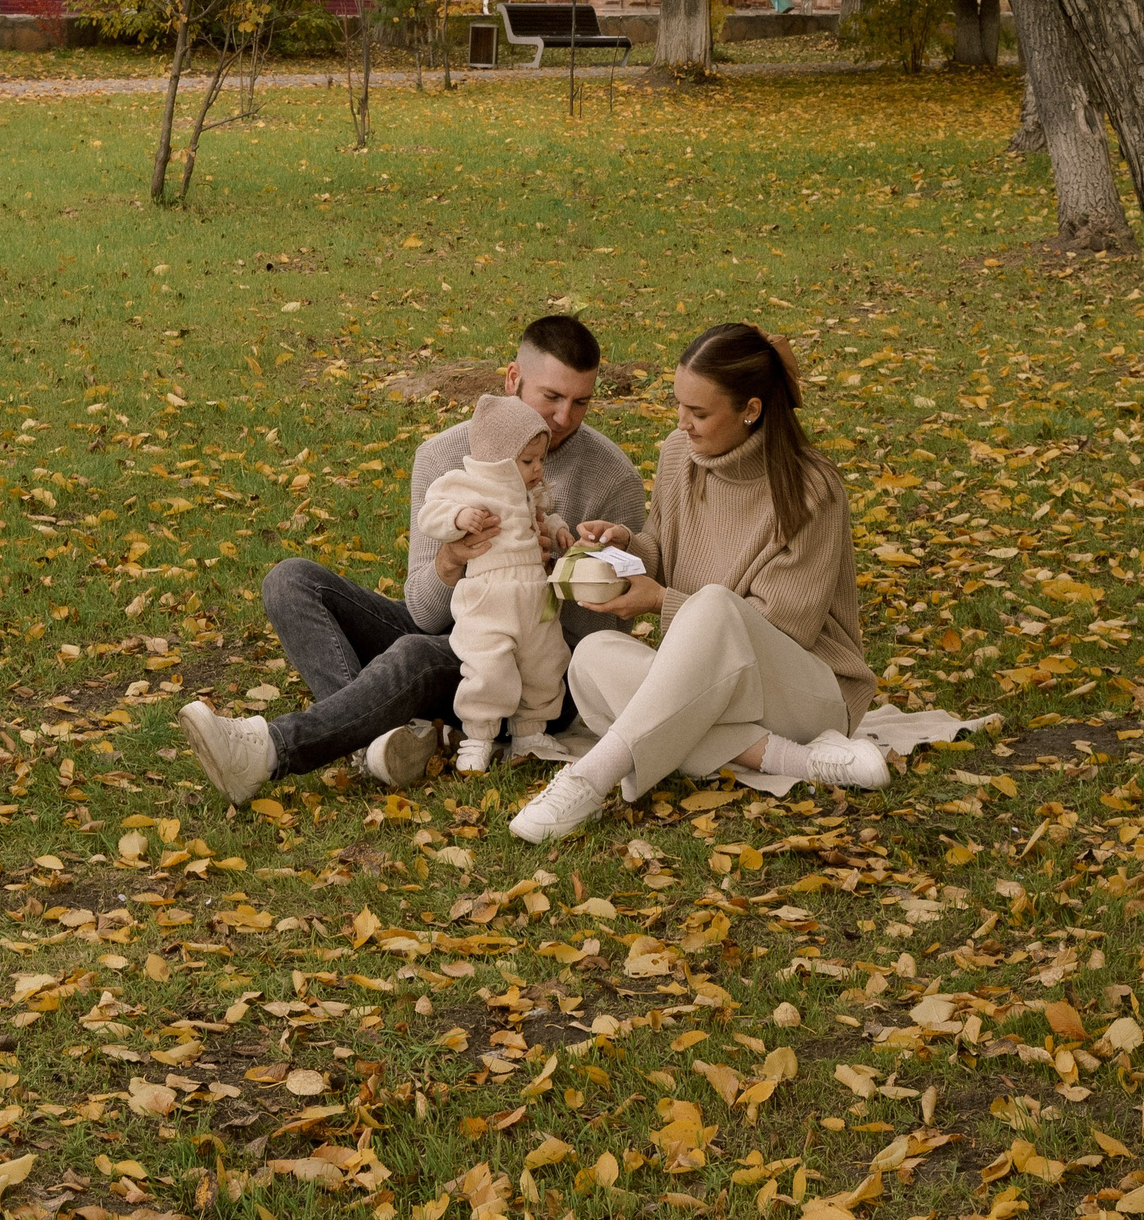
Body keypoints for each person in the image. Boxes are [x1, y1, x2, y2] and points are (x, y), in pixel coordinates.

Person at [179, 313, 645, 807]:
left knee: (415, 655)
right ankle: (377, 742)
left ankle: (268, 751)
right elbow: (423, 613)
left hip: (537, 669)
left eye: (581, 402)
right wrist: (449, 561)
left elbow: (601, 643)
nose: (564, 418)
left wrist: (559, 571)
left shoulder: (613, 476)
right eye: (551, 397)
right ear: (513, 379)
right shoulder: (443, 456)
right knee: (291, 580)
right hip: (464, 622)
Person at [508, 321, 886, 846]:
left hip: (806, 690)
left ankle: (589, 779)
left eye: (699, 413)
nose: (682, 422)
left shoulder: (810, 489)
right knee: (592, 658)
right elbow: (663, 552)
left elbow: (783, 628)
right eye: (679, 405)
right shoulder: (677, 454)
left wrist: (663, 602)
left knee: (712, 605)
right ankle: (797, 761)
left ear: (750, 409)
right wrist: (624, 547)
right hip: (711, 685)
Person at [414, 392, 571, 773]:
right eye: (528, 461)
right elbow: (430, 513)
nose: (537, 468)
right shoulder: (469, 484)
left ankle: (530, 732)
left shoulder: (529, 493)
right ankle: (478, 736)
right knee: (488, 667)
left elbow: (543, 516)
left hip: (535, 596)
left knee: (545, 664)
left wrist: (559, 530)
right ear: (499, 459)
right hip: (490, 595)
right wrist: (458, 517)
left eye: (541, 460)